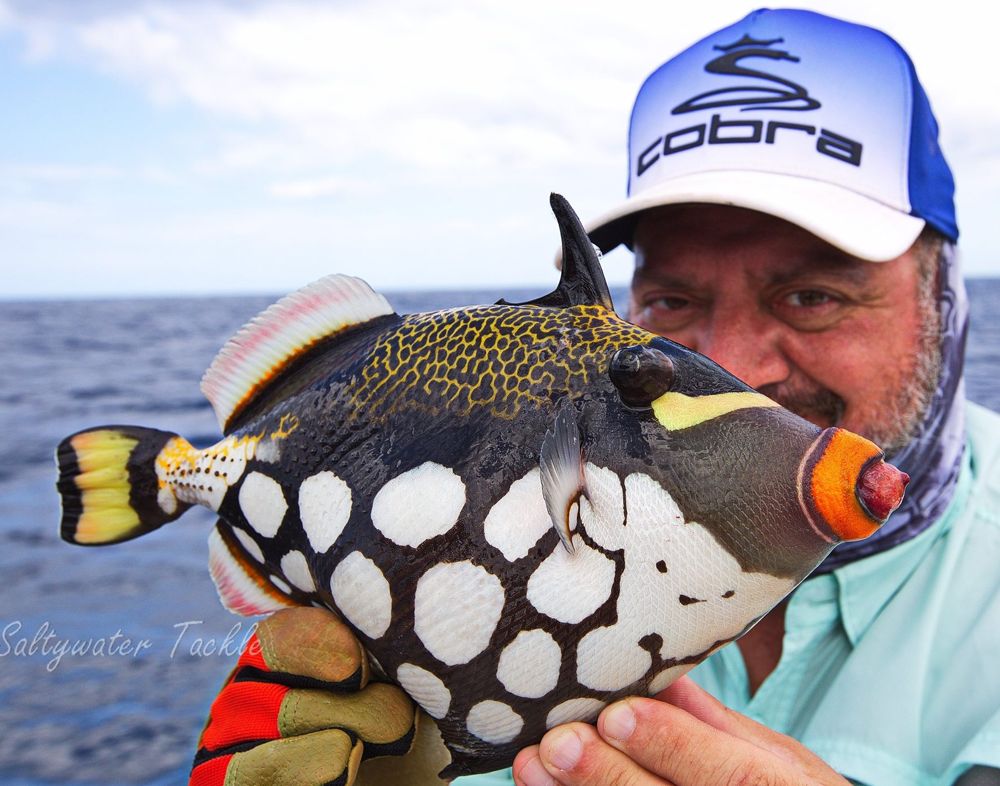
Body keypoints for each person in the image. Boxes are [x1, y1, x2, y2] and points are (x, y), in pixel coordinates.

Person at [188, 9, 1000, 786]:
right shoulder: (510, 502)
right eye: (673, 305)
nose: (730, 368)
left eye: (812, 296)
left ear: (942, 299)